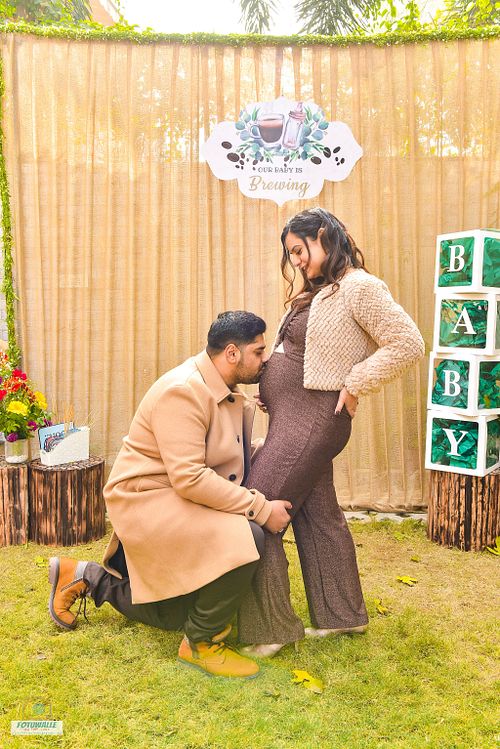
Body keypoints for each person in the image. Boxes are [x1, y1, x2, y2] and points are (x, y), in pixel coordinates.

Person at [47, 311, 292, 679]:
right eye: (258, 351)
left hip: (176, 497)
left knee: (178, 614)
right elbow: (189, 478)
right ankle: (202, 643)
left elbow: (220, 456)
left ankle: (85, 576)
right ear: (232, 353)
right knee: (248, 535)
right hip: (147, 501)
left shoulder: (224, 390)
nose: (265, 359)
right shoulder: (184, 390)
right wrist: (260, 508)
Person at [238, 208, 425, 657]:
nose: (297, 261)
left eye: (299, 250)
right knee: (317, 515)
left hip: (313, 420)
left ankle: (269, 628)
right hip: (294, 417)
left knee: (255, 509)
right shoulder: (325, 289)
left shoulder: (360, 287)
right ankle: (343, 616)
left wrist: (357, 382)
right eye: (291, 255)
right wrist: (273, 386)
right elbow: (301, 355)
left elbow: (408, 342)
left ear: (323, 235)